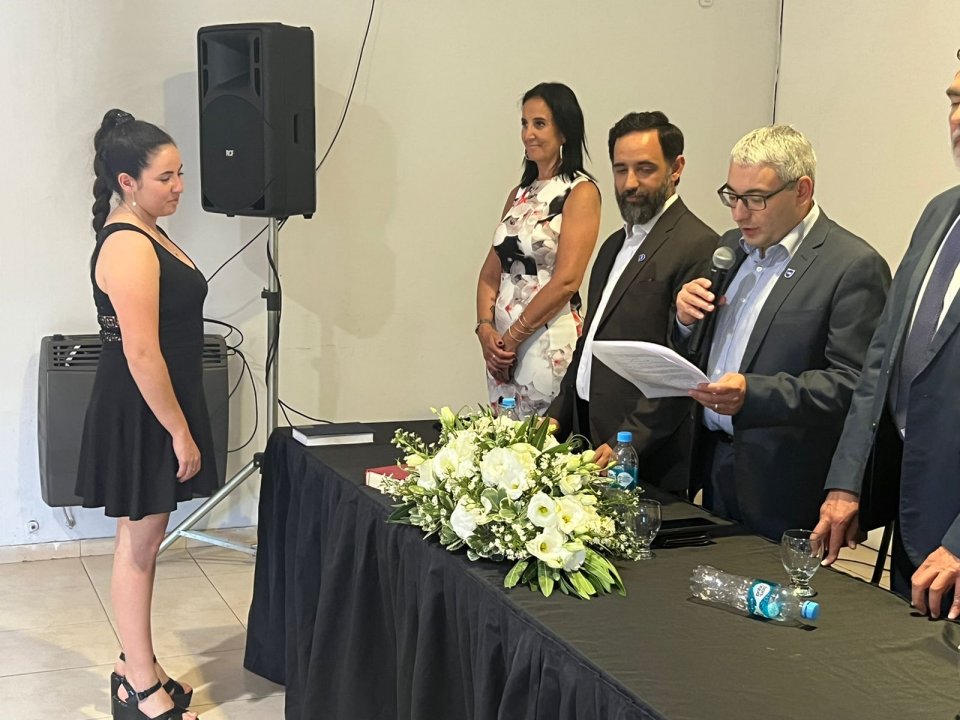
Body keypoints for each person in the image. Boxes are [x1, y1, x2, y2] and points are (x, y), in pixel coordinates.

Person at [676, 125, 890, 541]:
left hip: (785, 481)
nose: (739, 214)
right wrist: (685, 320)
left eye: (755, 199)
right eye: (732, 196)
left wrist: (753, 394)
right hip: (714, 462)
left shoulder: (852, 265)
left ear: (802, 191)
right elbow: (709, 347)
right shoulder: (730, 248)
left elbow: (853, 385)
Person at [76, 109, 215, 720]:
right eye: (166, 177)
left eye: (181, 173)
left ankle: (136, 664)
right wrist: (179, 430)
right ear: (127, 181)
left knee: (144, 543)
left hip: (155, 403)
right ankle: (138, 686)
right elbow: (140, 352)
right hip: (144, 409)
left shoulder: (145, 230)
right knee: (139, 547)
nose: (179, 186)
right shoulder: (129, 243)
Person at [817, 66, 960, 619]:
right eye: (953, 101)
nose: (957, 119)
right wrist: (847, 482)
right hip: (913, 518)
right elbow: (882, 358)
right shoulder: (939, 212)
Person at [547, 111, 718, 490]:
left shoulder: (698, 244)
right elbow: (589, 340)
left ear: (676, 168)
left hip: (644, 451)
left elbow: (684, 367)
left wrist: (629, 442)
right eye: (620, 170)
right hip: (588, 433)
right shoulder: (613, 245)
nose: (630, 183)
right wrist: (558, 414)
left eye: (645, 169)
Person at [476, 82, 601, 417]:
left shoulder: (580, 191)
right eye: (524, 123)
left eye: (539, 124)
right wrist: (485, 330)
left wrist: (513, 338)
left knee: (539, 440)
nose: (528, 133)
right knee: (503, 437)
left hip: (545, 342)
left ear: (564, 132)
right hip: (502, 349)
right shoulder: (519, 193)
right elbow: (490, 272)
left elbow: (567, 280)